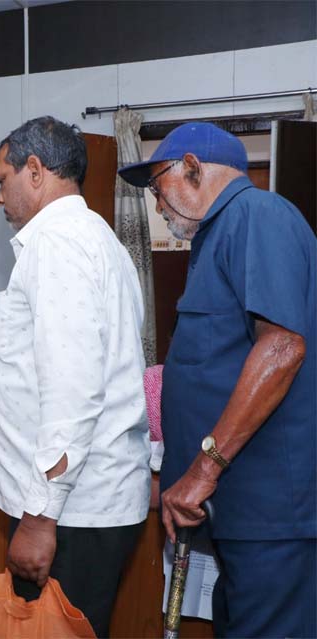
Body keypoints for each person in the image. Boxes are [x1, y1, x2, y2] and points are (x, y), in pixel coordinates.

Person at [119, 122, 316, 638]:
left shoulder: (257, 215)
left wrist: (203, 471)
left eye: (157, 184)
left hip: (269, 515)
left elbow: (282, 347)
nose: (156, 203)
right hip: (240, 514)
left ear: (192, 167)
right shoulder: (218, 233)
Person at [0, 116, 150, 636]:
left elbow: (72, 392)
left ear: (34, 170)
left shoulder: (57, 245)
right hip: (83, 503)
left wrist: (39, 518)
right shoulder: (97, 237)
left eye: (2, 179)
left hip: (72, 510)